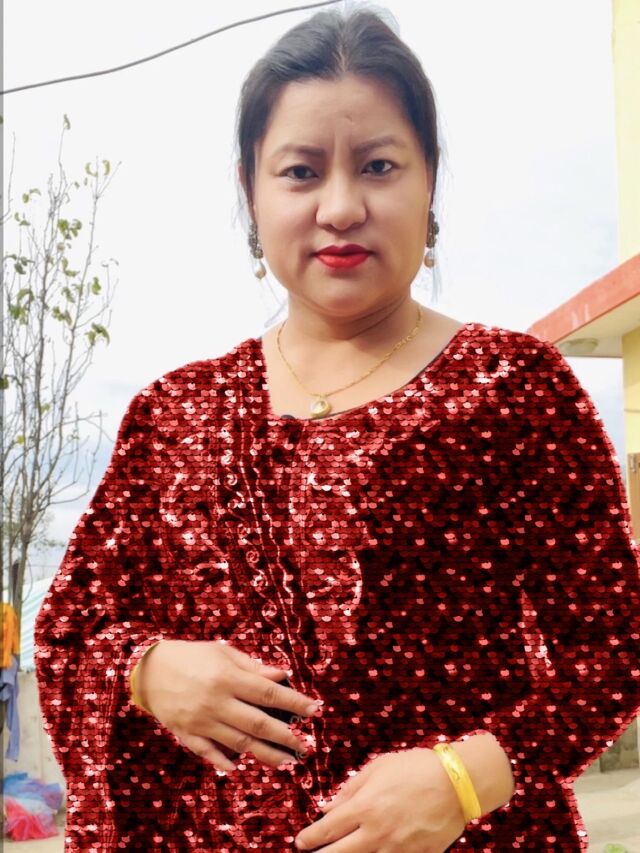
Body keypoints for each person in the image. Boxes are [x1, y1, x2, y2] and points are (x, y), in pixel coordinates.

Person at [34, 4, 640, 852]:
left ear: (430, 180)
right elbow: (70, 629)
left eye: (379, 165)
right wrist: (147, 670)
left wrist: (466, 776)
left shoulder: (512, 387)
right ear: (249, 190)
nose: (342, 206)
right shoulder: (173, 417)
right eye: (301, 171)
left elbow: (614, 649)